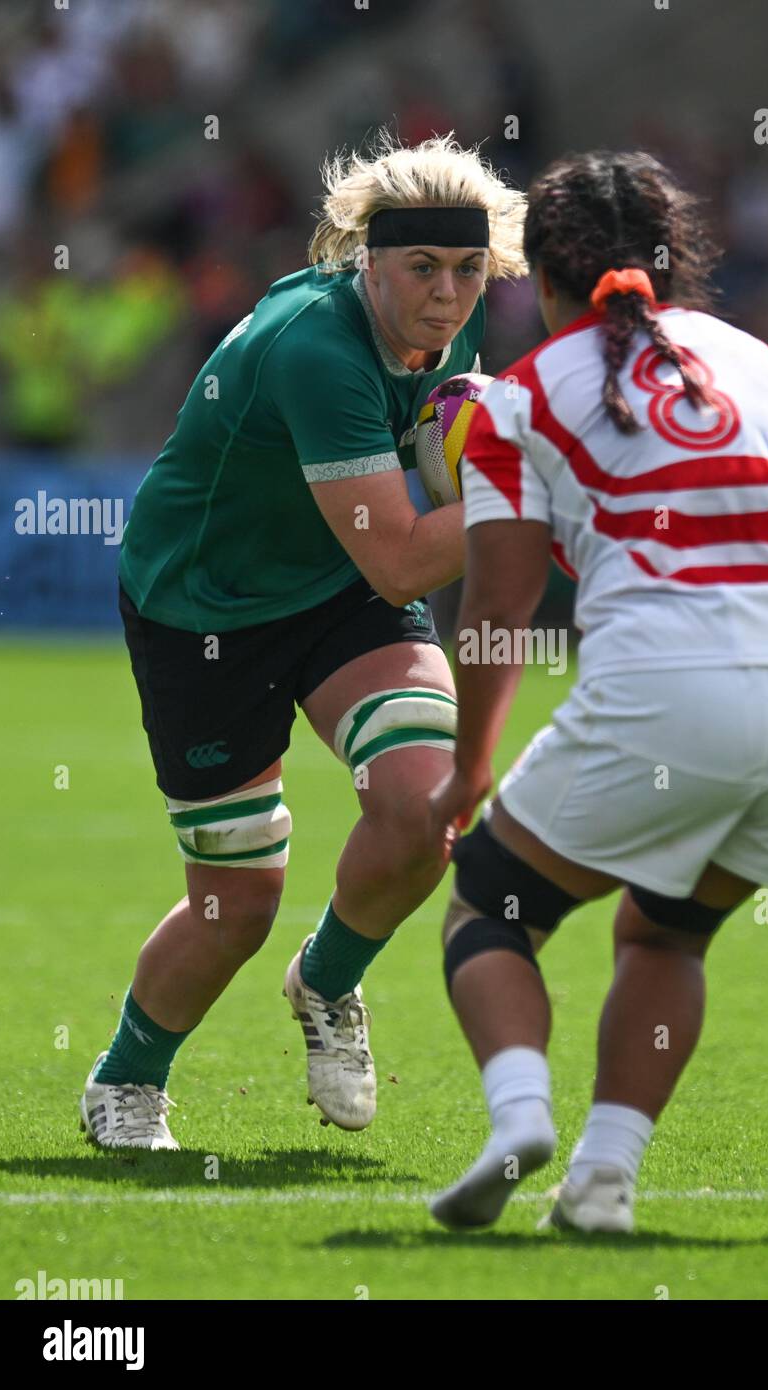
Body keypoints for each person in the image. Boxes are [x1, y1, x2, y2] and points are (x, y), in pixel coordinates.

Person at [426, 150, 768, 1233]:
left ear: (542, 281)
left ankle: (517, 1117)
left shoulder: (518, 397)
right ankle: (603, 1180)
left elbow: (497, 605)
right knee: (664, 934)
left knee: (490, 903)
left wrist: (467, 766)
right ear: (674, 262)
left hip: (665, 684)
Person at [79, 133, 527, 1150]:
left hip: (334, 585)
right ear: (367, 262)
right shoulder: (316, 349)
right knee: (236, 900)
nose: (447, 296)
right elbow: (407, 562)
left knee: (424, 807)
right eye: (421, 268)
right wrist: (538, 496)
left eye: (467, 270)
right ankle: (127, 1080)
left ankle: (325, 983)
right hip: (203, 608)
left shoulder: (453, 330)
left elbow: (419, 507)